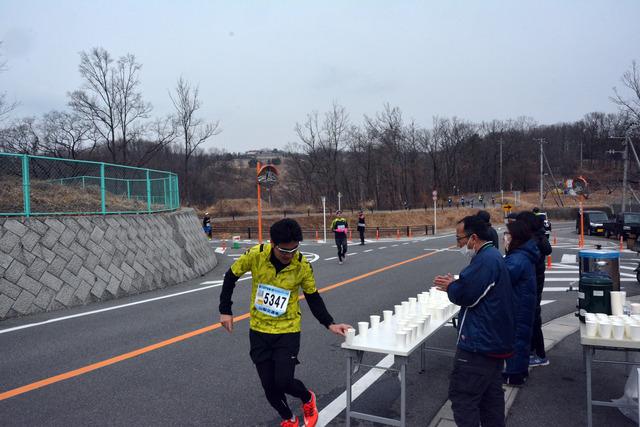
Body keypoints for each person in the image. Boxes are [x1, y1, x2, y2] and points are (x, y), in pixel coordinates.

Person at [219, 218, 352, 427]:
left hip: (288, 330)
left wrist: (330, 323)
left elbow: (313, 296)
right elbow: (230, 276)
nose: (289, 256)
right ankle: (289, 418)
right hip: (259, 330)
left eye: (294, 250)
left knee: (284, 381)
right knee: (269, 386)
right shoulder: (257, 255)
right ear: (272, 244)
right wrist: (225, 310)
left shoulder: (301, 264)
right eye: (284, 251)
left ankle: (307, 398)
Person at [433, 215, 514, 427]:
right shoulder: (492, 256)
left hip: (479, 345)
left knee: (463, 398)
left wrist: (452, 286)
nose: (458, 244)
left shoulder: (485, 260)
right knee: (490, 400)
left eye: (460, 239)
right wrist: (456, 284)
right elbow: (475, 288)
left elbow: (467, 295)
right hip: (494, 342)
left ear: (473, 238)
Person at [502, 220, 539, 386]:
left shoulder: (516, 259)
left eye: (507, 234)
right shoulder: (524, 254)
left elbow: (502, 279)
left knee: (515, 339)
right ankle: (521, 372)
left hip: (517, 305)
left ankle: (514, 375)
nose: (505, 237)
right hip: (523, 302)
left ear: (515, 237)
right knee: (522, 339)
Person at [516, 211, 553, 367]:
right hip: (536, 284)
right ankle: (535, 352)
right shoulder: (540, 238)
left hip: (532, 286)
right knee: (533, 319)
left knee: (533, 320)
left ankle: (539, 354)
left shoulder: (533, 242)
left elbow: (523, 264)